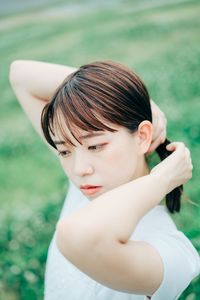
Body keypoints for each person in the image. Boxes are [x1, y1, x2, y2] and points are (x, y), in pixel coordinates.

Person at [9, 60, 200, 300]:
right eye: (64, 151)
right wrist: (137, 101)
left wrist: (164, 178)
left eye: (96, 146)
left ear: (142, 136)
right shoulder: (92, 186)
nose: (79, 169)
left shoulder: (172, 253)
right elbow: (20, 75)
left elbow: (77, 236)